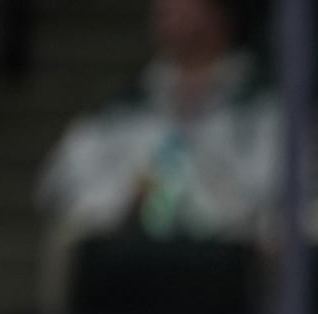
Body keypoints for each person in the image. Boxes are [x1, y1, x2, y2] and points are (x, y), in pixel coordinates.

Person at [36, 0, 279, 239]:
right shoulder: (127, 104)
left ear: (218, 14)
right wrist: (124, 197)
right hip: (136, 256)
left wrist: (206, 192)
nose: (168, 13)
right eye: (162, 9)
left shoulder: (262, 102)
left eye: (183, 7)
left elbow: (276, 192)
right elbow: (58, 183)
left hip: (231, 257)